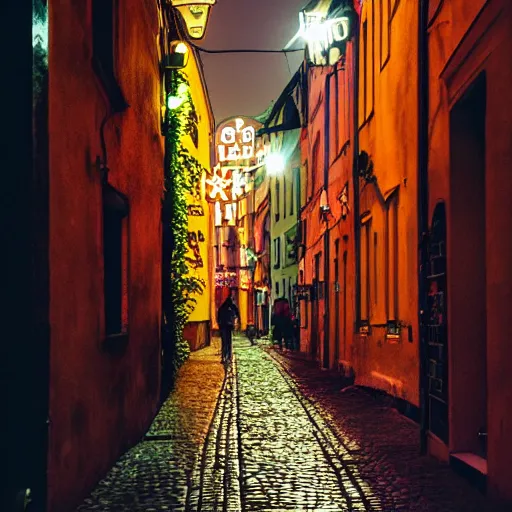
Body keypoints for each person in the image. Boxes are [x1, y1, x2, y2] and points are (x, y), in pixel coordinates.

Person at [217, 295, 240, 364]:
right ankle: (228, 357)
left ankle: (225, 357)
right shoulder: (231, 306)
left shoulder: (222, 307)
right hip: (228, 326)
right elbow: (237, 313)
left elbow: (219, 317)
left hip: (224, 326)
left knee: (224, 342)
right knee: (228, 342)